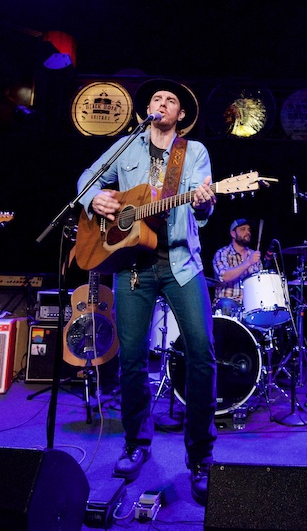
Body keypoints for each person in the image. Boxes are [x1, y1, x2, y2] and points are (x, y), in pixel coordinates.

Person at [77, 78, 217, 506]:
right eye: (156, 98)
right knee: (132, 360)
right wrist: (96, 199)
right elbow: (87, 178)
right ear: (146, 112)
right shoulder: (128, 146)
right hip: (132, 267)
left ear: (180, 115)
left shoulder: (193, 152)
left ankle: (200, 456)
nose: (162, 103)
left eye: (170, 100)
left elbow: (206, 208)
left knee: (201, 353)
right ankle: (137, 442)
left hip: (180, 264)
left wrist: (205, 202)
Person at [211, 219, 262, 317]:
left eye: (249, 230)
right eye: (243, 229)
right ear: (233, 233)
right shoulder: (222, 253)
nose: (247, 232)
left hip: (249, 306)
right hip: (229, 303)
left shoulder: (253, 255)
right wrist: (248, 262)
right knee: (226, 304)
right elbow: (224, 276)